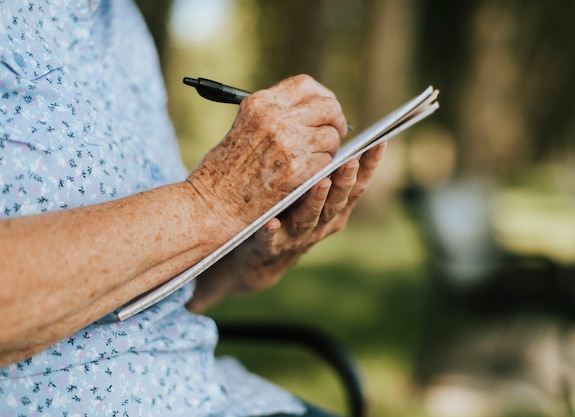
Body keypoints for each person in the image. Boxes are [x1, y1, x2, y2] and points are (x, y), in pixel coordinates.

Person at [0, 1, 386, 416]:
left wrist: (243, 267)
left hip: (203, 391)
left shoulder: (122, 25)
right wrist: (212, 201)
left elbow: (148, 294)